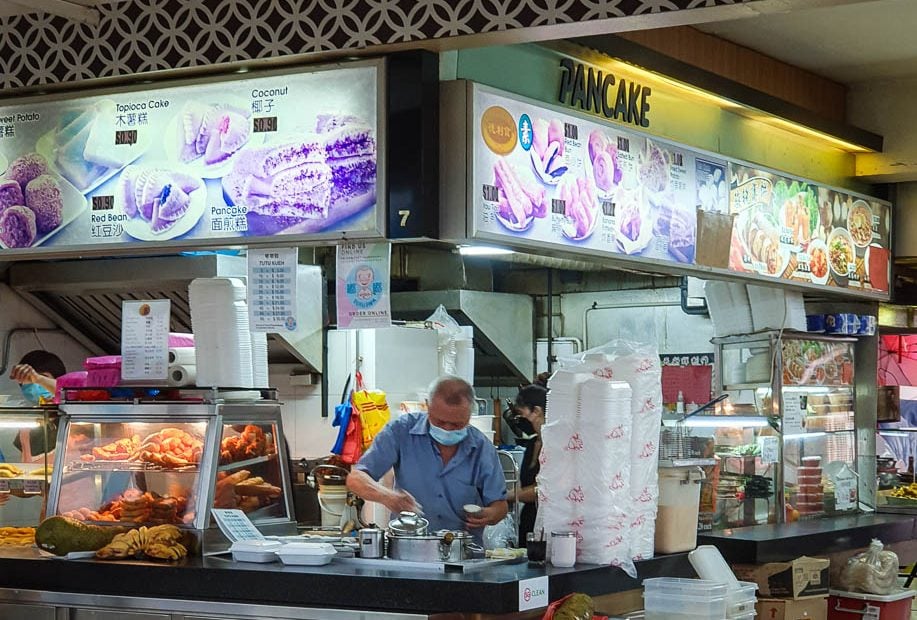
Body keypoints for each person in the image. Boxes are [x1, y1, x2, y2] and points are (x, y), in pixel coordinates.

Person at [346, 375, 508, 543]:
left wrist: (489, 515)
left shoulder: (481, 448)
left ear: (469, 414)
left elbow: (500, 506)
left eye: (457, 424)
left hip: (463, 550)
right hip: (409, 547)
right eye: (440, 422)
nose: (447, 429)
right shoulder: (401, 431)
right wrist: (388, 497)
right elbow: (356, 479)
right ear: (428, 406)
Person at [506, 383, 547, 543]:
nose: (519, 420)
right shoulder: (532, 444)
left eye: (521, 414)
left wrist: (512, 495)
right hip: (528, 523)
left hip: (546, 525)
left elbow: (545, 489)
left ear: (536, 411)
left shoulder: (557, 445)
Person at [8, 350, 66, 462]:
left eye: (43, 377)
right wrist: (25, 440)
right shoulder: (29, 421)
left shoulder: (71, 417)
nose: (35, 385)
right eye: (28, 380)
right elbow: (26, 466)